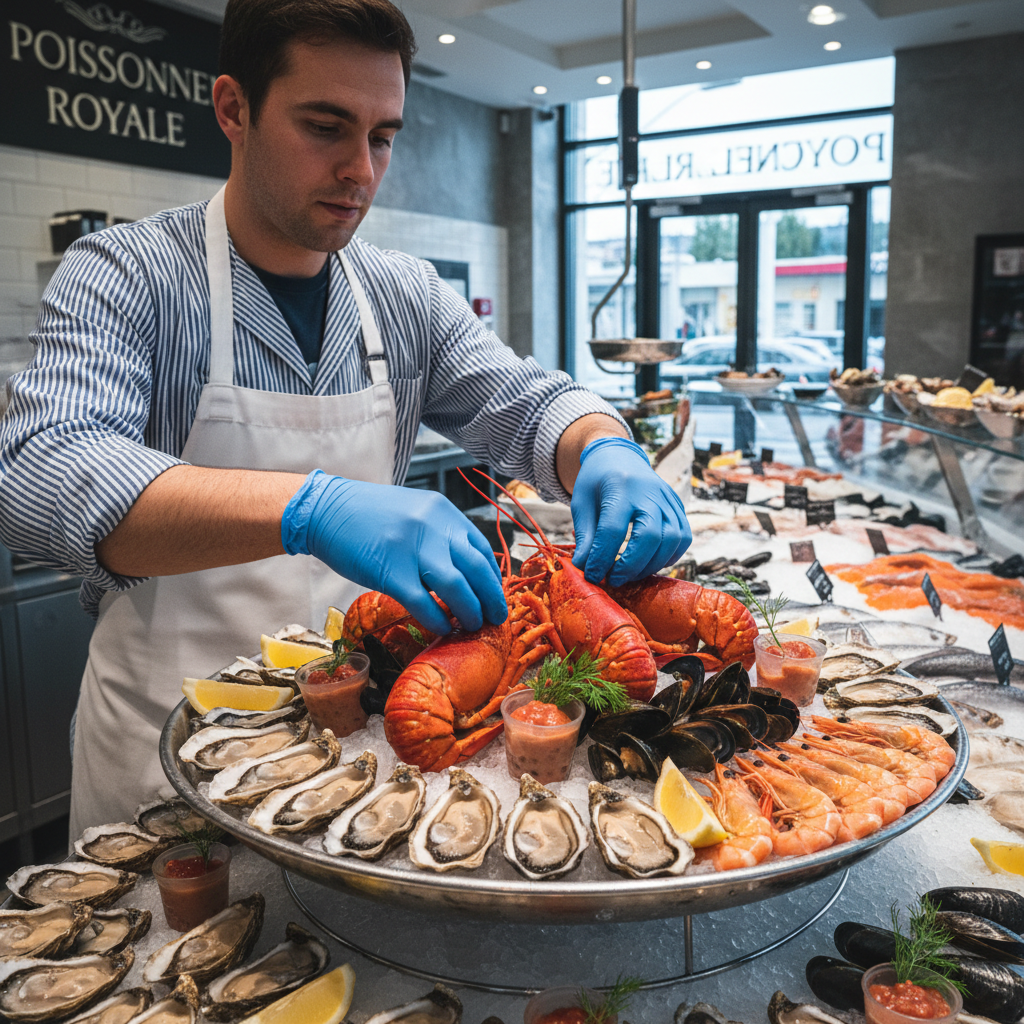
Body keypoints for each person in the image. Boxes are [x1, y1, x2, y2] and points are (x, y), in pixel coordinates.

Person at [0, 0, 690, 837]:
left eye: (383, 136)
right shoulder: (125, 274)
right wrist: (309, 510)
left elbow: (530, 401)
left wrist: (604, 445)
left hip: (360, 755)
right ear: (233, 109)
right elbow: (41, 474)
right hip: (166, 753)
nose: (359, 169)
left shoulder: (404, 293)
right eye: (325, 127)